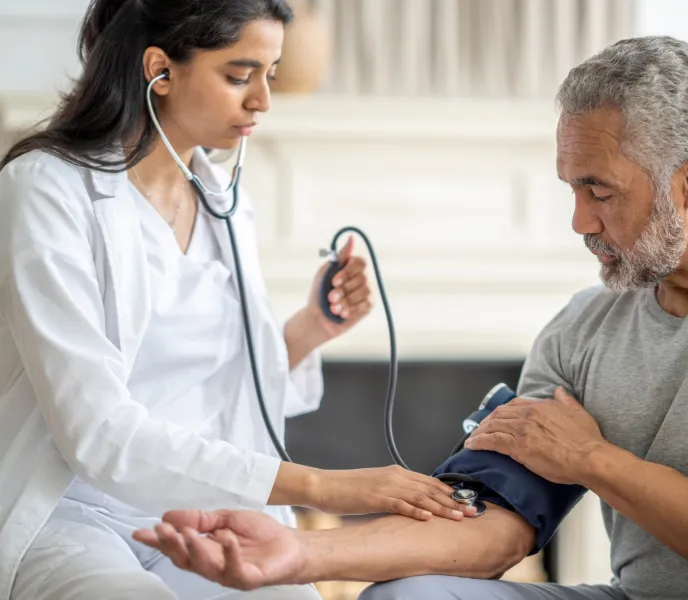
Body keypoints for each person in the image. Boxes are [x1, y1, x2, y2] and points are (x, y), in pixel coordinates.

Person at [135, 35, 688, 600]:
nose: (580, 222)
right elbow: (490, 526)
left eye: (601, 192)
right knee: (410, 595)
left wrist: (593, 460)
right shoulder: (582, 330)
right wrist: (297, 553)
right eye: (573, 189)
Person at [0, 1, 475, 599]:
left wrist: (310, 328)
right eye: (238, 75)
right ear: (160, 70)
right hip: (74, 513)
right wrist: (328, 488)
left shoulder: (222, 197)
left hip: (199, 516)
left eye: (270, 75)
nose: (262, 102)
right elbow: (97, 431)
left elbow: (222, 387)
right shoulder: (46, 189)